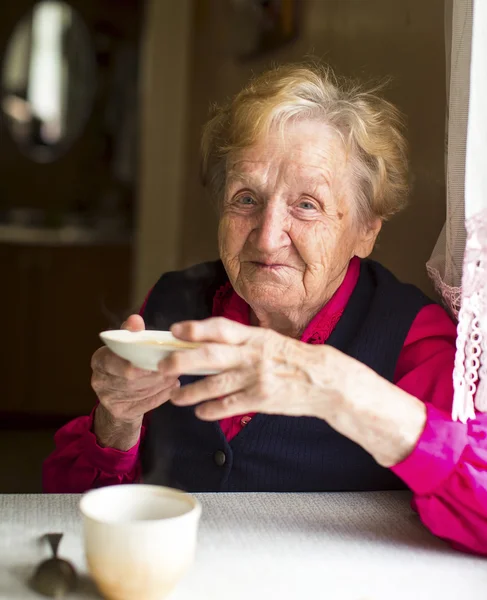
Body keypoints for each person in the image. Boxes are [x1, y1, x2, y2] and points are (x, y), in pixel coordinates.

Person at [44, 63, 487, 556]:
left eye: (307, 205)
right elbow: (67, 511)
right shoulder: (172, 305)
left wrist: (338, 387)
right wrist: (117, 422)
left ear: (366, 230)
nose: (268, 234)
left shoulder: (416, 338)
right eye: (247, 198)